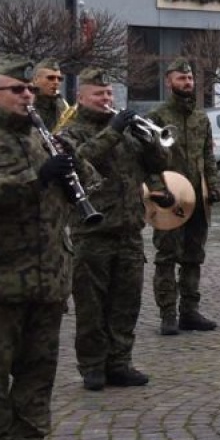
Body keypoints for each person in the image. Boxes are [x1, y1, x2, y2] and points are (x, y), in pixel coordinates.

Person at [0, 55, 89, 440]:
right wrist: (36, 179)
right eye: (17, 89)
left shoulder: (41, 138)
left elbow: (76, 192)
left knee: (37, 369)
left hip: (48, 275)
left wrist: (73, 166)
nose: (27, 95)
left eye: (29, 89)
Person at [59, 68, 170, 391]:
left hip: (129, 230)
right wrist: (112, 130)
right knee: (92, 307)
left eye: (109, 94)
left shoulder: (126, 132)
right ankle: (92, 366)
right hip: (92, 233)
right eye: (99, 94)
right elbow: (80, 162)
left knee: (126, 303)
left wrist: (150, 142)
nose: (106, 100)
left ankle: (120, 362)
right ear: (81, 97)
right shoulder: (71, 132)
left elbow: (159, 164)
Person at [149, 58, 220, 334]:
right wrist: (156, 189)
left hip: (197, 200)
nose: (187, 83)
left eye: (190, 78)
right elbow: (146, 159)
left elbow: (208, 156)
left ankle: (189, 311)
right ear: (169, 81)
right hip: (169, 199)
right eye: (181, 78)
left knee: (194, 257)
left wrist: (213, 185)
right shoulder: (157, 117)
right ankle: (168, 314)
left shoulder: (200, 118)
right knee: (167, 257)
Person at [31, 58, 69, 128]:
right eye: (51, 78)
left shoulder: (62, 104)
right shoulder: (26, 103)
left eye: (59, 79)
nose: (56, 82)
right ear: (36, 80)